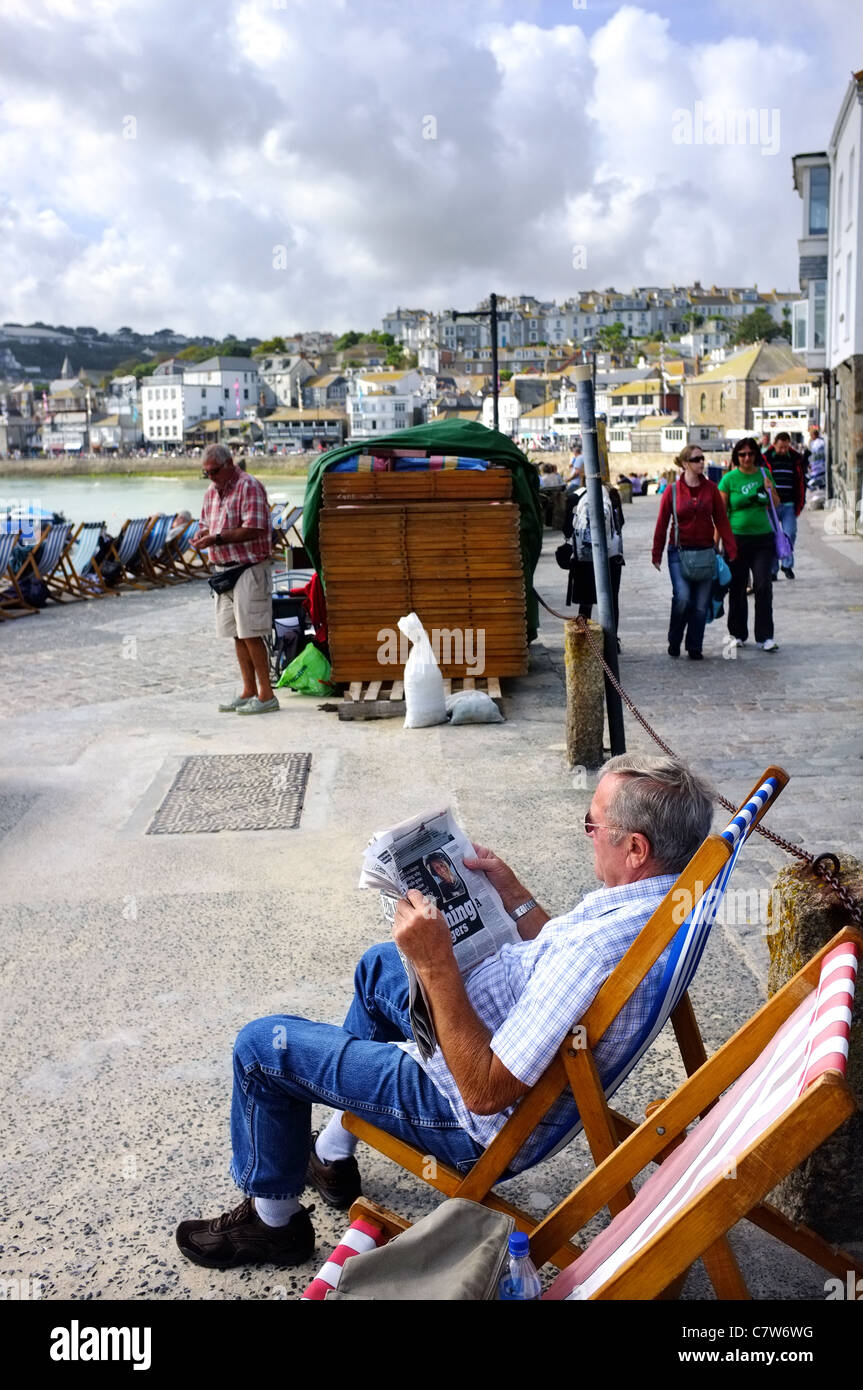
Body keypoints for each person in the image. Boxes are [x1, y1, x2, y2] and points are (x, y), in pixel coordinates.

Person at [175, 754, 714, 1269]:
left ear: (636, 848)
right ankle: (334, 1151)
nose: (587, 833)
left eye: (592, 824)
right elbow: (558, 958)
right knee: (378, 968)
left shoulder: (599, 952)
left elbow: (483, 1094)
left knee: (260, 1047)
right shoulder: (663, 906)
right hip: (495, 1037)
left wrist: (436, 966)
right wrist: (510, 891)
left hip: (470, 1114)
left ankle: (274, 1224)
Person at [193, 443, 278, 713]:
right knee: (237, 635)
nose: (211, 477)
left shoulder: (249, 486)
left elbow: (254, 528)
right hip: (224, 570)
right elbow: (204, 523)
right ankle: (248, 690)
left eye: (214, 471)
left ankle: (266, 695)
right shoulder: (210, 492)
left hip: (249, 568)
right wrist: (200, 536)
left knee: (251, 633)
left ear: (230, 464)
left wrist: (217, 538)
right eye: (206, 473)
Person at [652, 445, 737, 660]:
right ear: (684, 464)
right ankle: (674, 639)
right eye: (696, 459)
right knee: (683, 599)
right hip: (678, 552)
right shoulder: (672, 491)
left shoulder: (711, 489)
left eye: (702, 458)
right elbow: (662, 523)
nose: (701, 462)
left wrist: (731, 547)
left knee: (700, 605)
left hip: (705, 553)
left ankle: (694, 646)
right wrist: (657, 553)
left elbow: (721, 520)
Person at [718, 438, 781, 653]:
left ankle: (765, 636)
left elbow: (776, 503)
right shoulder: (729, 480)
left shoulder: (764, 474)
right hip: (736, 539)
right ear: (736, 456)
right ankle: (737, 634)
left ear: (756, 455)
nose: (746, 458)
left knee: (763, 585)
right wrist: (716, 542)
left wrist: (770, 489)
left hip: (763, 538)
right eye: (742, 454)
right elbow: (721, 513)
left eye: (750, 453)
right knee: (737, 587)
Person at [563, 481, 625, 635]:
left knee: (585, 603)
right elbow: (620, 524)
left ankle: (584, 641)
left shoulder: (576, 496)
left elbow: (566, 529)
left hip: (583, 559)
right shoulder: (612, 495)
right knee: (611, 602)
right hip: (611, 557)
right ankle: (612, 642)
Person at [762, 432, 805, 579]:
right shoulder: (766, 458)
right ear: (775, 444)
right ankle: (773, 570)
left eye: (786, 447)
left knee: (790, 533)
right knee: (773, 536)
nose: (783, 450)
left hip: (789, 504)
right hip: (772, 505)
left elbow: (800, 481)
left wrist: (801, 501)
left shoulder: (795, 459)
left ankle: (787, 565)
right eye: (781, 447)